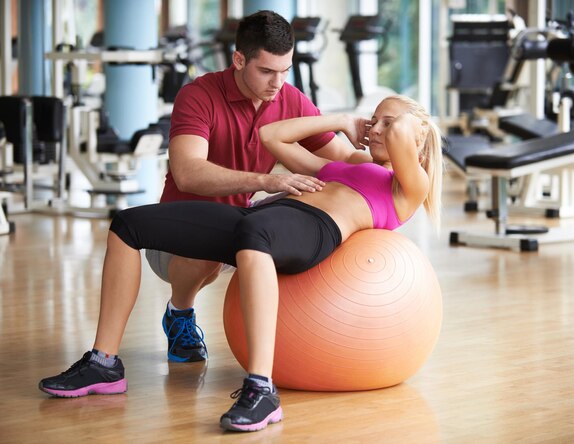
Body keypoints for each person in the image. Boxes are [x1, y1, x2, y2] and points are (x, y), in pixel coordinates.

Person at [39, 95, 444, 433]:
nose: (374, 128)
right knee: (129, 224)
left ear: (415, 136)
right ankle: (104, 364)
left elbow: (407, 135)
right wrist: (341, 120)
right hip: (259, 217)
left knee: (256, 236)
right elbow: (273, 136)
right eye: (372, 120)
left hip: (313, 229)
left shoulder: (408, 187)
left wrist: (405, 123)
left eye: (384, 122)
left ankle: (262, 389)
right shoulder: (349, 166)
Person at [153, 10, 357, 363]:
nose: (277, 83)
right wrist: (267, 181)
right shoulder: (198, 95)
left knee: (318, 203)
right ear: (238, 59)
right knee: (208, 250)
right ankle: (179, 313)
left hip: (242, 229)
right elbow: (188, 173)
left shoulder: (289, 99)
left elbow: (340, 160)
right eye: (266, 71)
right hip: (175, 240)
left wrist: (394, 163)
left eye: (284, 71)